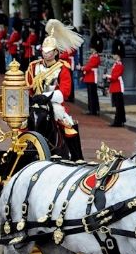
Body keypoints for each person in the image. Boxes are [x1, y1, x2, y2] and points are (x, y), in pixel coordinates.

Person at [25, 19, 84, 160]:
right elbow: (27, 84)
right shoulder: (34, 66)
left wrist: (47, 96)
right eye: (44, 51)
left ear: (56, 52)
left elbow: (65, 92)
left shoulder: (62, 68)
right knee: (21, 123)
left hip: (53, 103)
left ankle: (76, 156)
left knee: (68, 124)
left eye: (49, 52)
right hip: (35, 102)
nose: (46, 54)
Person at [79, 35, 103, 115]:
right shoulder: (93, 56)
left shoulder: (96, 57)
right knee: (90, 94)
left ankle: (94, 110)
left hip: (92, 77)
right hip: (89, 76)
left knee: (93, 94)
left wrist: (82, 68)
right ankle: (92, 109)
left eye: (92, 48)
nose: (91, 49)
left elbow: (89, 67)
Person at [106, 40, 125, 127]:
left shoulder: (119, 65)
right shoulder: (116, 64)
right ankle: (121, 120)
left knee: (119, 105)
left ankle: (118, 121)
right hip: (115, 86)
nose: (113, 55)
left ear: (117, 55)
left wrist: (107, 76)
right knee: (118, 105)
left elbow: (114, 77)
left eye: (114, 54)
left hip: (118, 87)